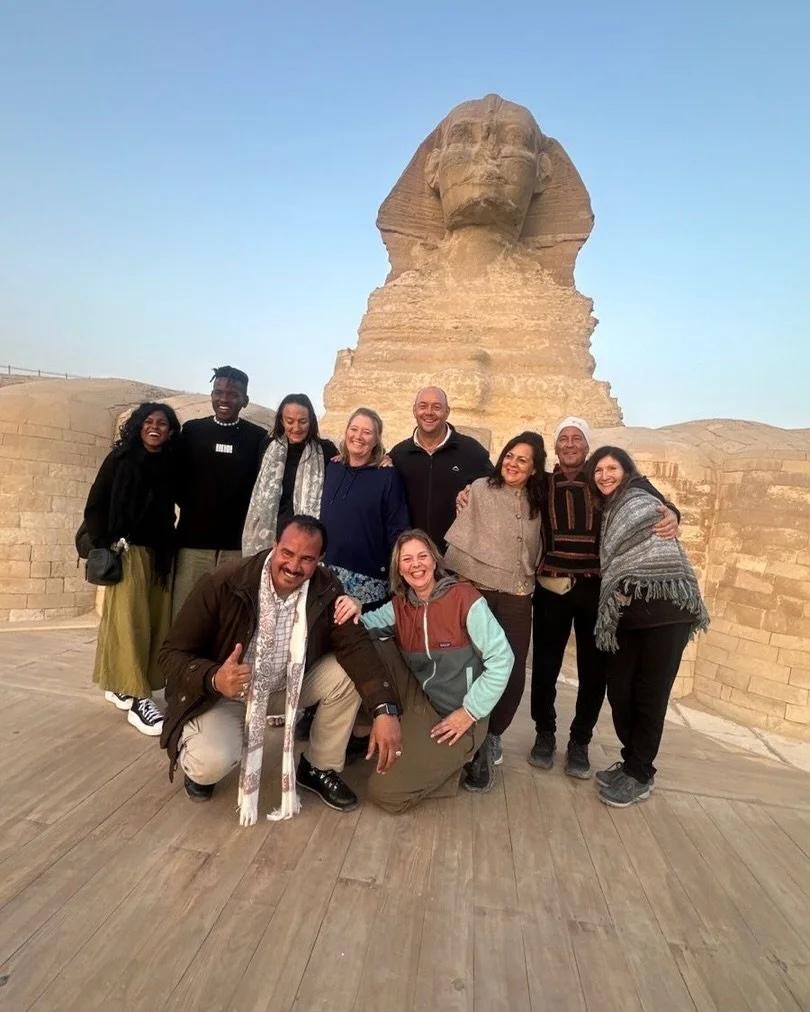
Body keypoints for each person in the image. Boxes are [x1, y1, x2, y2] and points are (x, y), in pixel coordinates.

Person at [159, 516, 403, 822]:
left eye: (307, 559)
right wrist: (214, 677)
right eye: (287, 553)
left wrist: (384, 709)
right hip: (226, 691)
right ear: (274, 545)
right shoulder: (223, 582)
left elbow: (355, 646)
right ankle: (200, 755)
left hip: (287, 685)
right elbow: (170, 654)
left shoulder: (326, 587)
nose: (293, 566)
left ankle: (318, 767)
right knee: (209, 764)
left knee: (345, 673)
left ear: (320, 559)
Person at [528, 417, 681, 779]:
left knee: (594, 671)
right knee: (545, 667)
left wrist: (674, 513)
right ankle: (544, 733)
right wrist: (466, 492)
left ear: (587, 446)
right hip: (551, 587)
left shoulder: (603, 481)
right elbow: (504, 483)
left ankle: (580, 740)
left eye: (576, 438)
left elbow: (653, 498)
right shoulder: (542, 484)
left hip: (595, 590)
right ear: (555, 446)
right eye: (563, 438)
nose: (569, 444)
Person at [340, 530, 513, 813]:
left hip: (459, 718)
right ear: (399, 569)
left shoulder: (464, 598)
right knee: (369, 645)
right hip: (421, 702)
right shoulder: (400, 606)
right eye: (407, 559)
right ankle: (380, 723)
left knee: (385, 795)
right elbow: (361, 628)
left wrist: (470, 712)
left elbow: (503, 659)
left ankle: (459, 762)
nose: (416, 564)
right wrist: (356, 604)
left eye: (422, 556)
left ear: (434, 561)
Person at [586, 447, 709, 808]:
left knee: (650, 696)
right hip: (629, 614)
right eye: (598, 470)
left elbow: (662, 510)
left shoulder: (639, 494)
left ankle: (640, 774)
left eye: (612, 468)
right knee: (620, 691)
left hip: (668, 611)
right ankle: (632, 762)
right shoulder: (609, 510)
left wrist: (673, 512)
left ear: (627, 471)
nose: (605, 475)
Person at [443, 432, 546, 790]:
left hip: (518, 595)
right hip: (478, 590)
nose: (512, 464)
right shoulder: (480, 489)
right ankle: (466, 732)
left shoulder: (539, 498)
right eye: (509, 456)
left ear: (534, 469)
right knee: (471, 665)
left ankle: (492, 736)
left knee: (512, 670)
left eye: (522, 460)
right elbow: (461, 538)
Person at [85, 401, 181, 735]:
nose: (155, 427)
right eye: (149, 421)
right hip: (128, 553)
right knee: (130, 623)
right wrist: (105, 543)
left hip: (160, 555)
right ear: (139, 425)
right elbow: (95, 505)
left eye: (162, 423)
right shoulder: (120, 459)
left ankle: (123, 684)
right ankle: (139, 699)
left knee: (154, 624)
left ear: (170, 431)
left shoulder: (169, 464)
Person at [172, 366, 270, 618]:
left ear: (245, 400)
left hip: (236, 547)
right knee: (186, 613)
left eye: (233, 394)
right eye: (219, 392)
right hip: (192, 544)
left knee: (228, 616)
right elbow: (176, 479)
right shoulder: (192, 431)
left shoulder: (258, 438)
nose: (224, 399)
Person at [321, 408, 410, 608]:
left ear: (376, 440)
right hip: (325, 574)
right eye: (354, 429)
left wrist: (402, 570)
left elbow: (397, 528)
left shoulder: (387, 476)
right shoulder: (332, 468)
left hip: (368, 579)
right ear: (346, 431)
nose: (358, 436)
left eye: (367, 432)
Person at [389, 386, 493, 551]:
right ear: (414, 411)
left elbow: (494, 489)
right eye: (423, 406)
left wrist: (474, 491)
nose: (429, 412)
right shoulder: (399, 454)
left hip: (456, 558)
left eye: (436, 407)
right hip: (414, 559)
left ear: (447, 412)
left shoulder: (471, 451)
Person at [242, 394, 339, 556]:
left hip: (306, 536)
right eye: (290, 421)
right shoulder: (268, 446)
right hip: (269, 534)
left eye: (302, 421)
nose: (296, 427)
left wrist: (381, 458)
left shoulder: (326, 450)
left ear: (311, 421)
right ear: (281, 421)